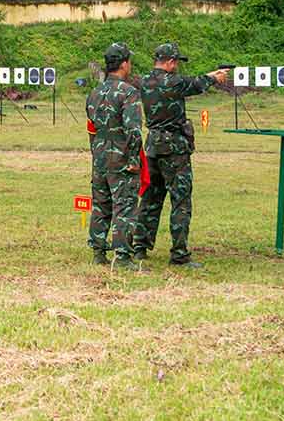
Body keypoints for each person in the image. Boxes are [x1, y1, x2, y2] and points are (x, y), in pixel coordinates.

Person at [132, 44, 229, 267]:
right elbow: (195, 84)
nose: (176, 66)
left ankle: (140, 245)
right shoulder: (173, 82)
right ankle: (179, 254)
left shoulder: (145, 81)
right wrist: (215, 77)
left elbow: (191, 81)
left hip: (153, 146)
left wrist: (211, 75)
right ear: (169, 62)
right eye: (175, 62)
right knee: (181, 201)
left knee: (150, 198)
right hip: (174, 149)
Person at [85, 42, 145, 270]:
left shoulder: (94, 92)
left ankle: (98, 253)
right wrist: (133, 160)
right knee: (125, 206)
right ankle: (122, 257)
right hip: (121, 157)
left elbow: (91, 128)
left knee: (101, 205)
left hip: (99, 157)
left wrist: (96, 153)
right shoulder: (128, 92)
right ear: (124, 64)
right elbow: (134, 130)